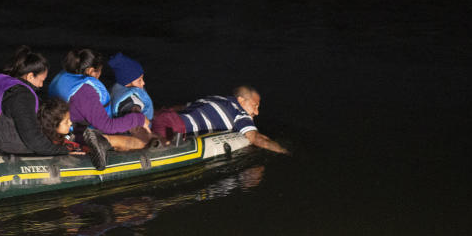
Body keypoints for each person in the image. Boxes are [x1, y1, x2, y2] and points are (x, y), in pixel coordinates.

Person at [47, 49, 151, 158]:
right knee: (138, 143)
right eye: (100, 71)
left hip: (67, 132)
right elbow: (107, 126)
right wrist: (139, 119)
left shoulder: (66, 77)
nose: (100, 75)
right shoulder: (85, 92)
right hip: (77, 137)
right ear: (91, 71)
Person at [152, 86, 290, 154]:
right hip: (174, 126)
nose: (256, 112)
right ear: (241, 100)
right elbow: (257, 139)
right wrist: (284, 151)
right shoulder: (240, 113)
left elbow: (181, 107)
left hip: (165, 116)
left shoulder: (216, 98)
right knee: (148, 145)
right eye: (254, 106)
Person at [0, 46, 68, 155]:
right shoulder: (21, 96)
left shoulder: (4, 83)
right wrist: (64, 151)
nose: (41, 85)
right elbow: (34, 140)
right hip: (8, 147)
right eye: (41, 80)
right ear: (31, 76)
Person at [107, 52, 154, 120]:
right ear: (127, 82)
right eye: (139, 80)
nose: (143, 83)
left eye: (142, 79)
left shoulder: (118, 88)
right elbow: (135, 125)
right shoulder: (130, 103)